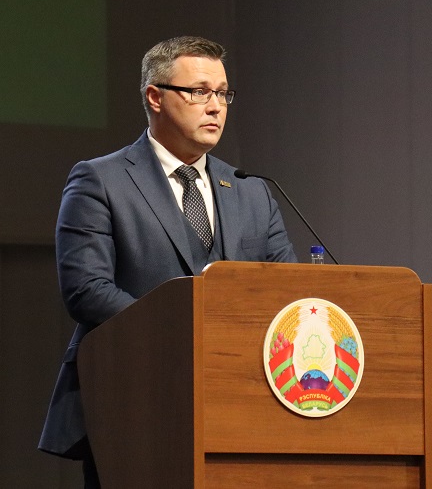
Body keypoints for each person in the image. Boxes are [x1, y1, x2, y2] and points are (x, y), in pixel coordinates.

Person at [38, 36, 297, 487]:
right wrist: (182, 338)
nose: (215, 106)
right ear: (155, 97)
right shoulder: (100, 180)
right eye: (199, 91)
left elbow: (287, 291)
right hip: (136, 400)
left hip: (245, 403)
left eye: (223, 93)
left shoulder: (251, 189)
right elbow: (87, 290)